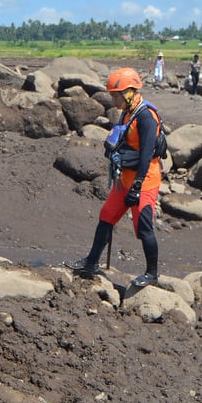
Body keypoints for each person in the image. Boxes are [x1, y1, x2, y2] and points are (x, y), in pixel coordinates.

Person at [65, 67, 163, 289]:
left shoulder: (146, 116)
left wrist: (137, 186)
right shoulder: (127, 112)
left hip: (144, 181)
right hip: (124, 179)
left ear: (129, 92)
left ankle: (152, 273)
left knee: (143, 227)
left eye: (115, 95)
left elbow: (147, 154)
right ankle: (91, 263)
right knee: (106, 216)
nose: (113, 99)